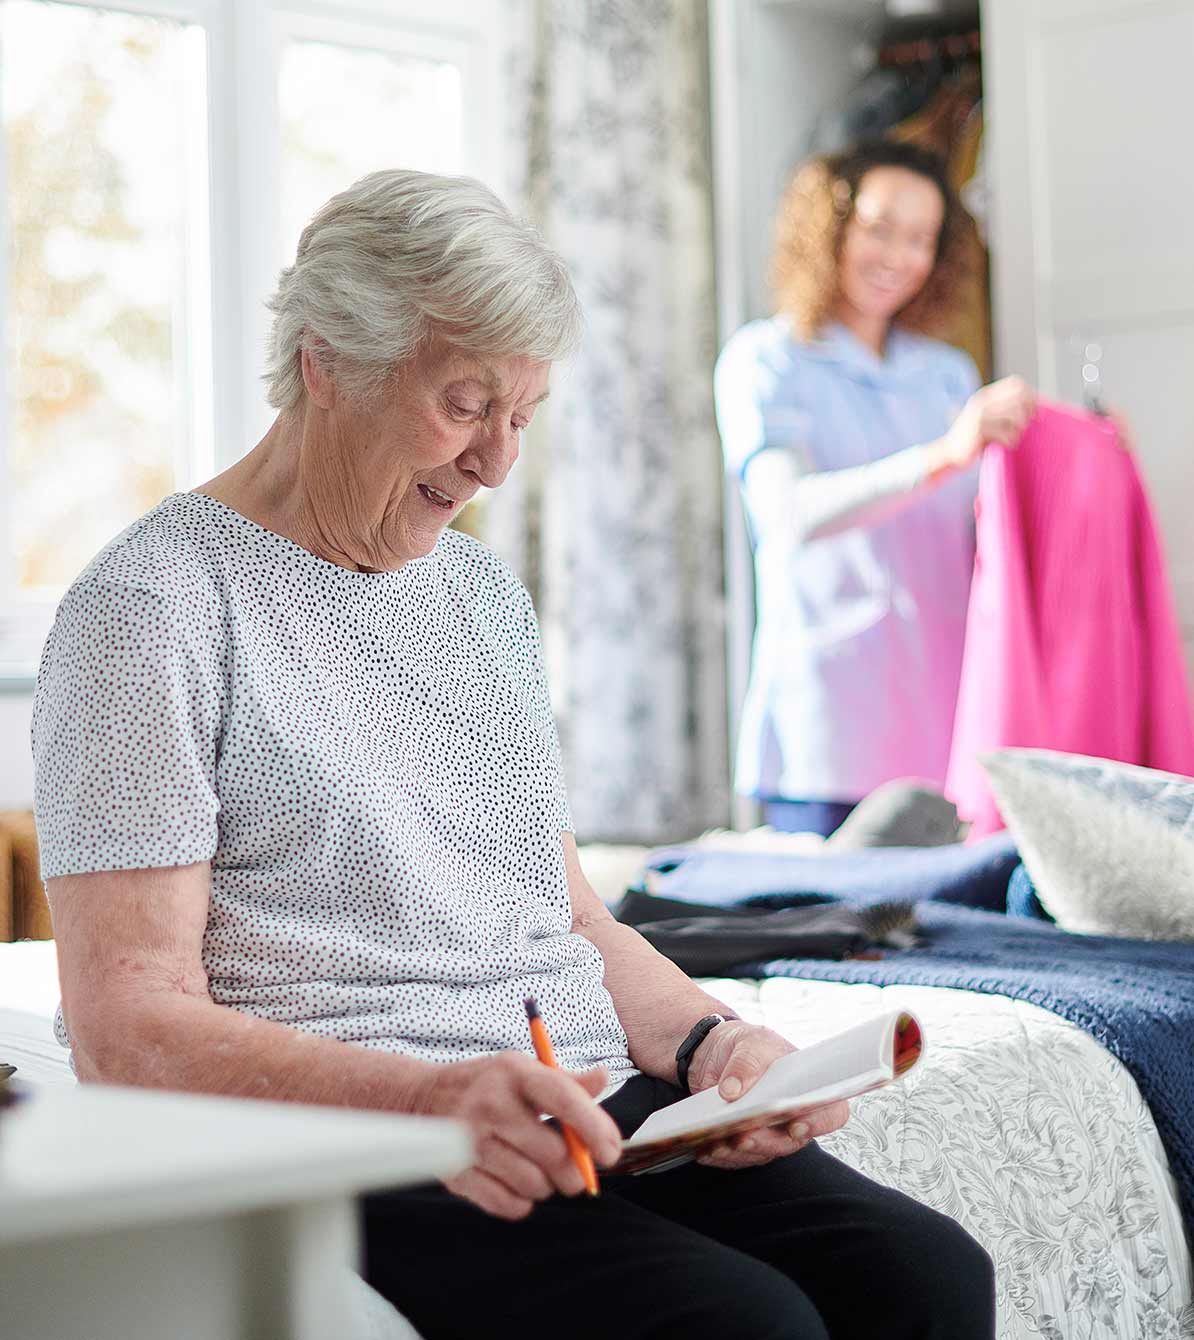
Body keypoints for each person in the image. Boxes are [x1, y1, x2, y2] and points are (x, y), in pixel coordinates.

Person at [33, 169, 994, 1339]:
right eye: (463, 403)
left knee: (928, 1272)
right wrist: (437, 1095)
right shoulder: (153, 605)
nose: (496, 462)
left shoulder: (482, 592)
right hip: (365, 1129)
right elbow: (129, 1024)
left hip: (576, 1101)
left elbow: (567, 915)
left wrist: (715, 1048)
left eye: (522, 415)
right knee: (746, 1323)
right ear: (326, 360)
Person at [715, 140, 1038, 837]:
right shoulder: (766, 361)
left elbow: (993, 524)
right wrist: (944, 454)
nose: (898, 256)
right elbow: (788, 514)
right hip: (827, 728)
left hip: (947, 723)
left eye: (920, 239)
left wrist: (1087, 450)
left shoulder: (947, 374)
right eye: (880, 229)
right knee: (827, 936)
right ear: (829, 228)